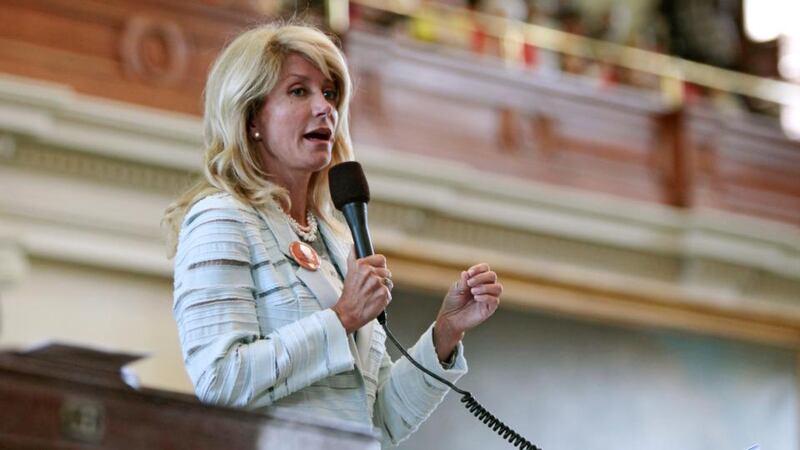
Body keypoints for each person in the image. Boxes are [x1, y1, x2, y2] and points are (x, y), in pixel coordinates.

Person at [163, 21, 502, 447]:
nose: (325, 108)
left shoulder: (337, 242)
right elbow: (220, 380)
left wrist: (445, 333)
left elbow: (379, 418)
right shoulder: (221, 220)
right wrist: (341, 318)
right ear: (251, 116)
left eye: (330, 93)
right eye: (299, 91)